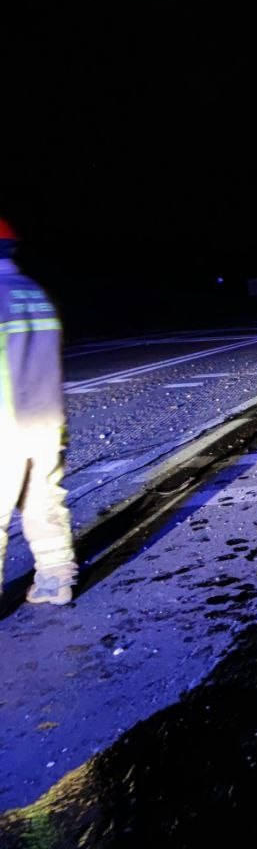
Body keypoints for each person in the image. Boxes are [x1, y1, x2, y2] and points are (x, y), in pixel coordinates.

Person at [0, 217, 78, 605]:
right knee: (44, 499)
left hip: (5, 423)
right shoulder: (32, 291)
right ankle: (55, 580)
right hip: (46, 419)